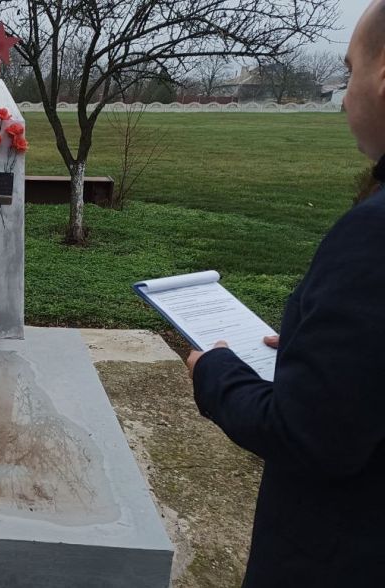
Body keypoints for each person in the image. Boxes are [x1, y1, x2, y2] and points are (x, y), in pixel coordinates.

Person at [187, 2, 385, 584]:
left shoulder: (375, 234)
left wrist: (216, 372)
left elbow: (307, 436)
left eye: (350, 73)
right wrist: (314, 346)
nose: (346, 98)